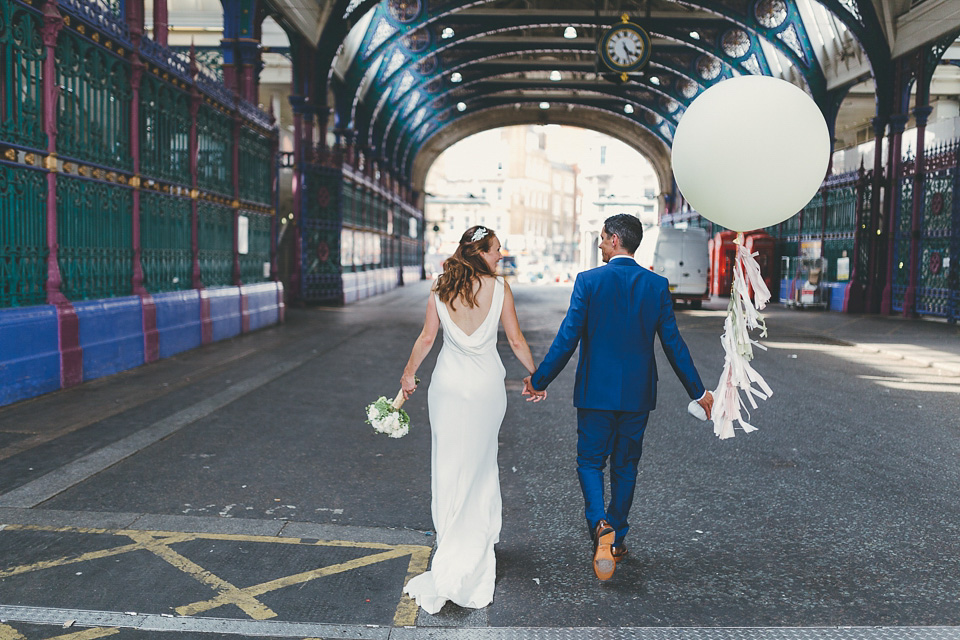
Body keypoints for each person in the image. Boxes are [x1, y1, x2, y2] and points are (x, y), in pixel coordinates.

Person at [523, 214, 713, 581]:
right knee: (626, 467)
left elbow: (567, 339)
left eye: (600, 238)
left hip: (595, 393)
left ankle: (600, 526)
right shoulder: (656, 285)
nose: (598, 244)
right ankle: (618, 538)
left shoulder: (589, 281)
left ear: (613, 239)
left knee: (590, 463)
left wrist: (540, 379)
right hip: (638, 396)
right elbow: (673, 344)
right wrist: (698, 391)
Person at [400, 225, 546, 614]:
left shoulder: (441, 287)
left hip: (447, 387)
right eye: (497, 249)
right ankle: (475, 545)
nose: (501, 254)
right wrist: (537, 376)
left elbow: (427, 339)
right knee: (481, 465)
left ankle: (450, 540)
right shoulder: (500, 290)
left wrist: (409, 373)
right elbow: (515, 341)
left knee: (447, 464)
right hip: (484, 388)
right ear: (480, 251)